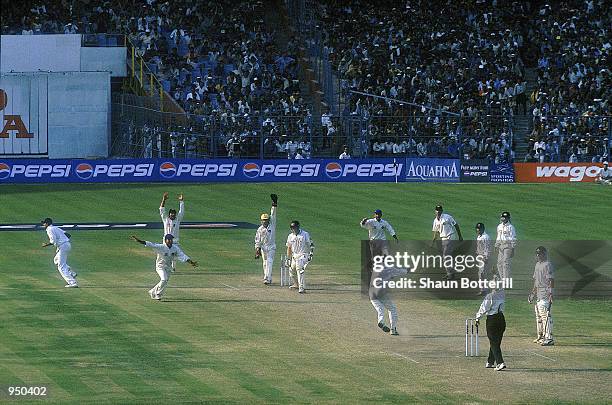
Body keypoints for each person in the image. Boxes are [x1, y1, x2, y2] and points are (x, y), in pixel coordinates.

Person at [361, 209, 400, 336]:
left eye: (379, 214)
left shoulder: (383, 222)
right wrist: (363, 221)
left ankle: (383, 323)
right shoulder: (371, 222)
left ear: (381, 215)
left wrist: (394, 235)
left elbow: (389, 228)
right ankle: (393, 329)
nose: (377, 216)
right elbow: (363, 225)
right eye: (376, 214)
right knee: (391, 308)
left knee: (381, 310)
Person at [131, 234, 198, 300]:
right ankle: (156, 293)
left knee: (165, 281)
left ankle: (154, 292)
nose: (170, 241)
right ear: (165, 240)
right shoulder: (161, 247)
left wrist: (191, 262)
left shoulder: (175, 248)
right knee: (164, 279)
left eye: (171, 239)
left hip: (168, 267)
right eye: (168, 239)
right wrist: (139, 241)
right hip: (160, 266)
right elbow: (150, 244)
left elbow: (182, 256)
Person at [475, 277, 507, 371]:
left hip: (492, 320)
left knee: (493, 342)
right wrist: (495, 277)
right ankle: (490, 361)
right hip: (501, 319)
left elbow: (484, 308)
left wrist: (477, 318)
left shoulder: (490, 296)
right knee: (495, 342)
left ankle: (500, 362)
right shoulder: (502, 293)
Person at [41, 217, 78, 288]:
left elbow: (53, 241)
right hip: (66, 245)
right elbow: (68, 235)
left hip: (63, 246)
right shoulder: (55, 228)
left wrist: (46, 245)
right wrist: (63, 240)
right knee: (56, 260)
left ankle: (72, 282)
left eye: (44, 223)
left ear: (47, 223)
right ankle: (72, 273)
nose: (43, 225)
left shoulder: (49, 229)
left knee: (61, 266)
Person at [529, 246, 554, 346]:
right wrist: (532, 293)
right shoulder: (537, 265)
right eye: (537, 254)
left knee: (545, 316)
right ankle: (541, 336)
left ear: (545, 254)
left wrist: (551, 293)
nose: (538, 255)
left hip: (545, 293)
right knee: (538, 317)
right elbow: (536, 281)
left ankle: (549, 338)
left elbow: (551, 280)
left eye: (540, 253)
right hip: (538, 294)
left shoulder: (548, 264)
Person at [431, 205, 463, 280]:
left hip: (450, 236)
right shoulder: (435, 221)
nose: (438, 211)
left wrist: (460, 236)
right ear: (435, 211)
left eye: (439, 210)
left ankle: (450, 273)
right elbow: (436, 232)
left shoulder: (447, 217)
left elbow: (456, 225)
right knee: (447, 256)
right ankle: (451, 273)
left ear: (442, 211)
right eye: (437, 210)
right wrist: (432, 242)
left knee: (445, 255)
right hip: (443, 239)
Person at [255, 194, 278, 285]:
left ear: (269, 220)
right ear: (261, 221)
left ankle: (267, 278)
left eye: (266, 220)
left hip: (271, 247)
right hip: (264, 248)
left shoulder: (272, 224)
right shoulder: (259, 229)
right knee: (265, 263)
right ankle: (268, 277)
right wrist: (257, 250)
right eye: (263, 220)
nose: (265, 221)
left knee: (269, 261)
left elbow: (273, 214)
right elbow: (257, 241)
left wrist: (274, 204)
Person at [285, 221, 314, 293]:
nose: (293, 229)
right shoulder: (290, 236)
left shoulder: (305, 234)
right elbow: (289, 247)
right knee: (291, 271)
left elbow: (311, 244)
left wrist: (311, 254)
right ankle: (296, 284)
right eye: (292, 228)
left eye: (295, 228)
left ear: (298, 227)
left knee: (299, 268)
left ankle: (302, 287)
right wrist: (288, 258)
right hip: (294, 256)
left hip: (303, 255)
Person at [160, 192, 185, 271]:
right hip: (166, 241)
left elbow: (182, 212)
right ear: (169, 214)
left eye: (174, 215)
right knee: (165, 254)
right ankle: (165, 267)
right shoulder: (165, 219)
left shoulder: (178, 220)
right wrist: (164, 199)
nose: (173, 216)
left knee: (174, 255)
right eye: (171, 215)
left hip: (175, 241)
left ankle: (173, 268)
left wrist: (181, 201)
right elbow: (161, 209)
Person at [495, 211, 516, 280]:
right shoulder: (499, 226)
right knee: (499, 264)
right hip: (501, 245)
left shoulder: (511, 227)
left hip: (508, 246)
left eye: (504, 217)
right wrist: (496, 245)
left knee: (505, 263)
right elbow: (498, 236)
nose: (503, 218)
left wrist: (513, 248)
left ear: (507, 218)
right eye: (502, 217)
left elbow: (513, 238)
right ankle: (502, 279)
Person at [475, 223, 492, 295]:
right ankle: (483, 289)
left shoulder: (486, 237)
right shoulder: (479, 236)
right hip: (480, 256)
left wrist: (486, 257)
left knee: (482, 273)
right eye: (477, 228)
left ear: (482, 229)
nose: (477, 230)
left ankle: (484, 290)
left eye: (479, 228)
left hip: (484, 257)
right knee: (481, 273)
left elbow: (488, 248)